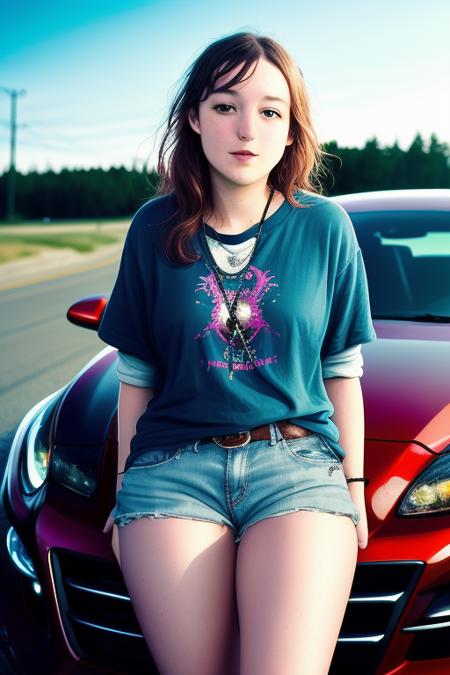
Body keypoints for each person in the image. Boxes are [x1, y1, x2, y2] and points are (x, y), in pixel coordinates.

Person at [98, 30, 377, 675]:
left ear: (290, 129)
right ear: (194, 118)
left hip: (298, 467)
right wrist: (122, 488)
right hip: (172, 470)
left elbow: (342, 372)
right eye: (226, 105)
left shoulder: (323, 226)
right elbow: (135, 374)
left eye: (270, 110)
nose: (247, 127)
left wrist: (354, 486)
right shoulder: (153, 228)